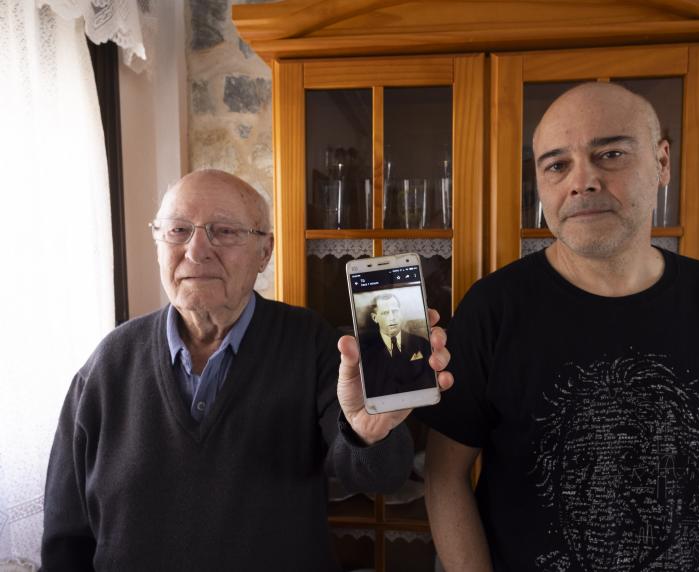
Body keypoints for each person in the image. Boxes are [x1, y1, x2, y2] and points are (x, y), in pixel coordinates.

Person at [416, 82, 699, 571]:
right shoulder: (494, 308)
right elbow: (445, 477)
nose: (582, 181)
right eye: (557, 164)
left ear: (662, 162)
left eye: (610, 153)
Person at [41, 169, 453, 571]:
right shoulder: (108, 362)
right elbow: (65, 539)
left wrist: (369, 434)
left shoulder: (310, 343)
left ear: (265, 252)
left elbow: (380, 476)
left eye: (224, 231)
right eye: (177, 230)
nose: (196, 250)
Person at [359, 292, 433, 397]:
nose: (392, 317)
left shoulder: (422, 343)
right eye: (385, 313)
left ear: (401, 313)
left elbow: (429, 381)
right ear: (375, 318)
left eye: (395, 311)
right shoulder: (364, 350)